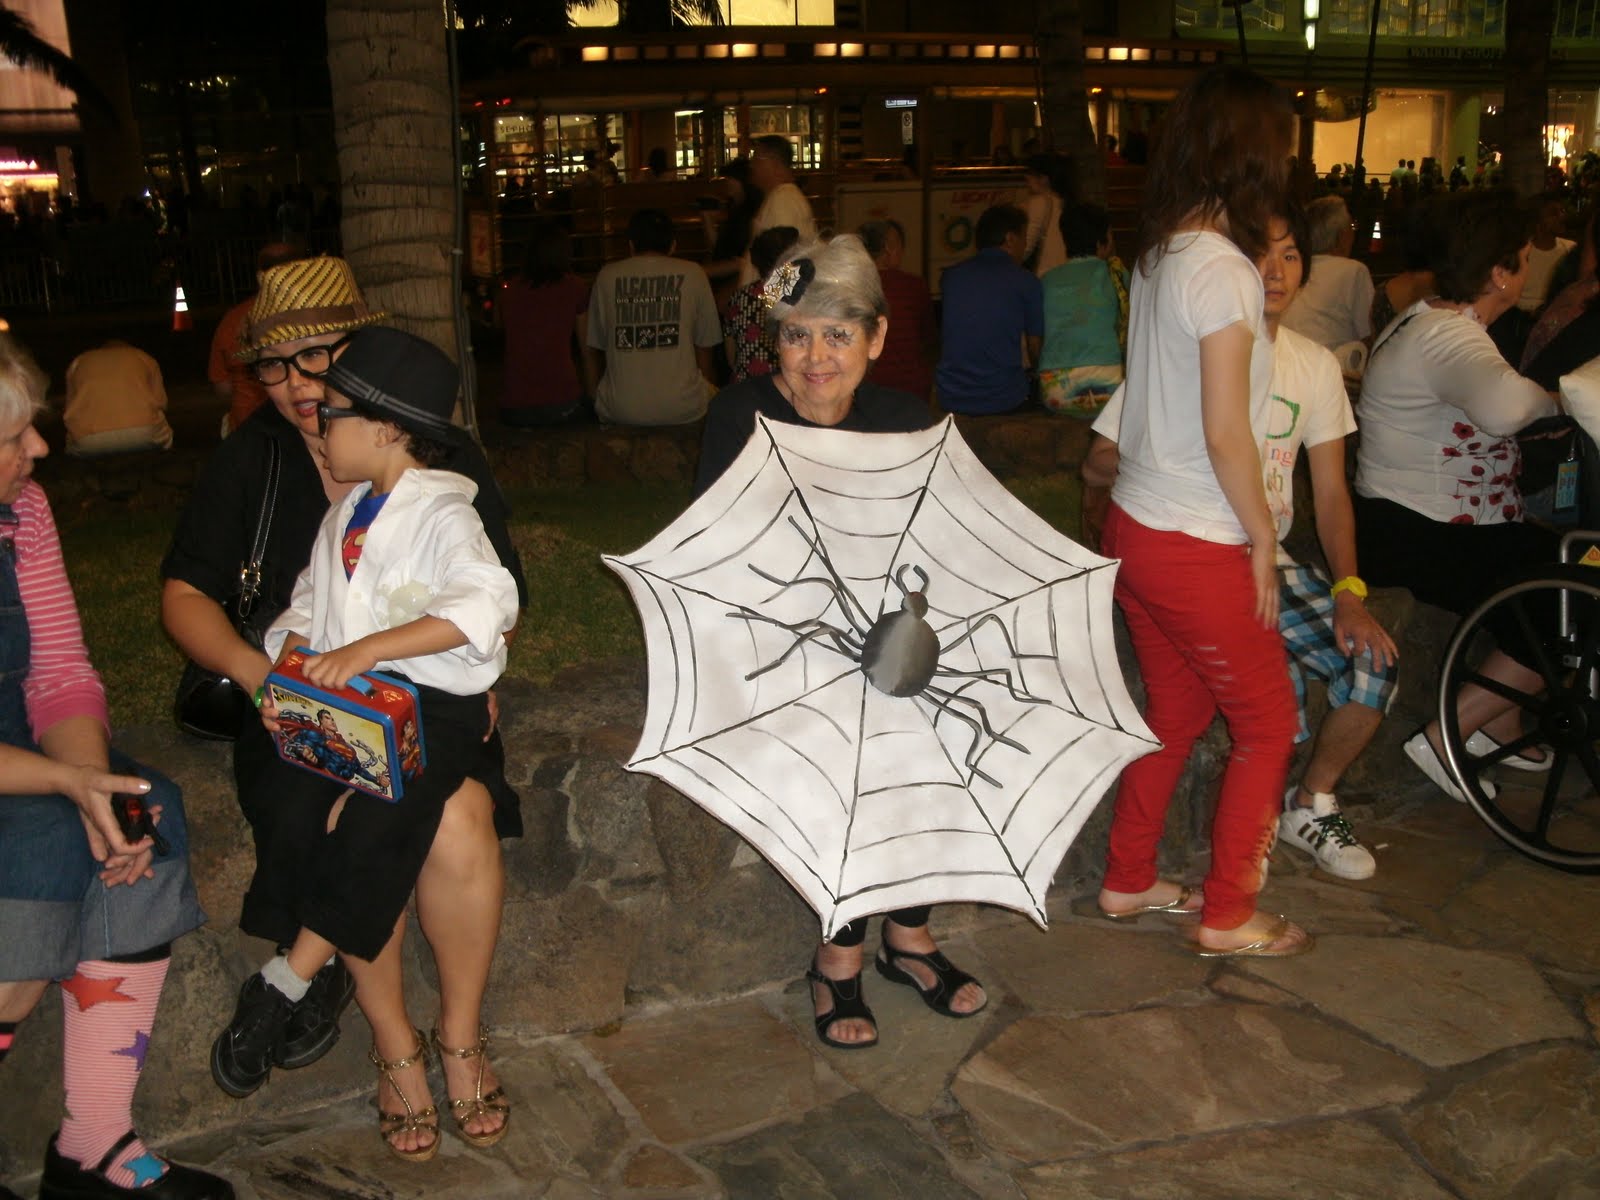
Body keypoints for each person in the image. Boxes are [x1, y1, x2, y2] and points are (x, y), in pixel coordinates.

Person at [160, 256, 525, 1159]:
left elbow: (492, 594)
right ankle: (393, 1043)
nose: (296, 388)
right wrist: (271, 674)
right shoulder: (267, 464)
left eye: (316, 361)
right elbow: (245, 602)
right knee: (338, 807)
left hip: (424, 706)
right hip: (313, 710)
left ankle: (394, 1008)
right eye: (273, 366)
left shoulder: (442, 478)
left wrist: (434, 665)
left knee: (449, 814)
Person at [695, 236, 987, 1048]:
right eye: (797, 334)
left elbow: (940, 551)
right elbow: (719, 557)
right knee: (863, 732)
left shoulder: (906, 421)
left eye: (838, 334)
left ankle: (909, 933)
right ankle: (840, 952)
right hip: (774, 645)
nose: (817, 357)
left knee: (940, 711)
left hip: (880, 640)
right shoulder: (741, 417)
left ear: (877, 338)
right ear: (775, 340)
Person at [1086, 210, 1398, 881]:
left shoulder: (1313, 366)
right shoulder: (1193, 346)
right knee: (1265, 715)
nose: (1275, 271)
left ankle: (1308, 803)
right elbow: (1100, 460)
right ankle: (1233, 886)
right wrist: (1170, 474)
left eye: (1291, 256)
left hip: (1264, 558)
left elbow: (1332, 495)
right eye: (1261, 253)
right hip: (1204, 549)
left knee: (1369, 666)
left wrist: (1350, 590)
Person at [0, 334, 234, 1199]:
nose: (40, 447)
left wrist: (95, 786)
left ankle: (92, 1145)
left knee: (145, 810)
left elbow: (59, 671)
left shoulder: (23, 513)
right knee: (42, 844)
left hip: (17, 740)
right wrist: (67, 790)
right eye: (13, 436)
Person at [1093, 66, 1312, 958]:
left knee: (1178, 714)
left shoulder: (1164, 252)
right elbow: (1227, 433)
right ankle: (1227, 913)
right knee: (1268, 725)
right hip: (1193, 538)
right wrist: (1264, 537)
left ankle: (1128, 877)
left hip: (1137, 527)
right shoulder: (1223, 269)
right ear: (1253, 153)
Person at [1351, 191, 1561, 802]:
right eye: (1523, 258)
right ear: (1499, 272)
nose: (1528, 270)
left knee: (1555, 564)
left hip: (1419, 523)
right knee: (1566, 594)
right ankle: (1449, 734)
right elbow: (1507, 407)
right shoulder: (1446, 335)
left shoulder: (1432, 320)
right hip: (1416, 533)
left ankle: (1500, 721)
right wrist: (1558, 400)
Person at [584, 208, 721, 426]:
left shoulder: (606, 276)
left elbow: (594, 347)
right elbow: (705, 346)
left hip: (619, 407)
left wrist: (594, 397)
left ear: (631, 245)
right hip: (684, 406)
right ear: (673, 245)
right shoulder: (694, 273)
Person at [934, 205, 1043, 415]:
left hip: (951, 395)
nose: (1025, 245)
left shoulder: (951, 277)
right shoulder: (1027, 282)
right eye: (1024, 237)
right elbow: (1034, 346)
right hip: (1004, 398)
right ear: (1010, 239)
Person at [499, 220, 593, 427]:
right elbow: (587, 349)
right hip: (562, 402)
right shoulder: (575, 288)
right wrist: (593, 396)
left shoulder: (510, 290)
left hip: (514, 407)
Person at [1038, 202, 1128, 418]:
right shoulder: (1115, 274)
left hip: (1054, 392)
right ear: (1100, 242)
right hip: (1111, 388)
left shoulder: (1046, 281)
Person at [209, 241, 305, 435]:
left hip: (248, 428)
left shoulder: (235, 319)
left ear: (259, 275)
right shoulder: (317, 316)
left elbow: (222, 386)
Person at [1280, 195, 1374, 351]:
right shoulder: (1354, 271)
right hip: (1332, 359)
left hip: (1288, 354)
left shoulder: (1294, 267)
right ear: (1340, 236)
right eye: (1351, 228)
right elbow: (1369, 334)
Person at [858, 217, 934, 403]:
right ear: (888, 249)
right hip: (911, 391)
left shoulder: (854, 287)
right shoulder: (914, 286)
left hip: (866, 391)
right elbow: (929, 339)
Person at [62, 340, 173, 458]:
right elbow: (162, 402)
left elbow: (69, 407)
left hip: (87, 440)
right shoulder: (143, 357)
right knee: (162, 425)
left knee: (72, 439)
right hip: (145, 434)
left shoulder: (79, 361)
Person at [723, 225, 799, 383]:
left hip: (745, 385)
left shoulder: (741, 296)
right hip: (785, 386)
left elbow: (731, 355)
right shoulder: (798, 295)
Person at [741, 136, 815, 284]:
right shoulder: (781, 196)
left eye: (756, 158)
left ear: (774, 163)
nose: (751, 165)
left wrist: (766, 298)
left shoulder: (784, 199)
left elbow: (787, 263)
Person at [1518, 193, 1575, 316]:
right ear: (1537, 221)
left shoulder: (1570, 249)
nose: (1562, 216)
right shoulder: (1522, 251)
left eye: (1562, 211)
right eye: (1553, 214)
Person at [1020, 152, 1074, 277]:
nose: (1027, 182)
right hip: (1069, 273)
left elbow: (1025, 247)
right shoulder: (1070, 203)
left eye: (1029, 177)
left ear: (1044, 179)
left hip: (1047, 274)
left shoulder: (1040, 202)